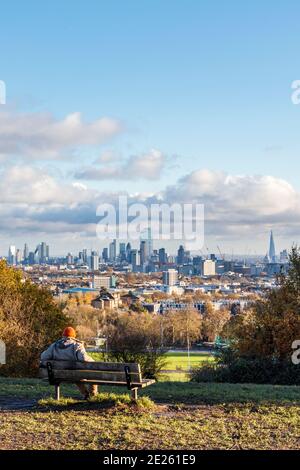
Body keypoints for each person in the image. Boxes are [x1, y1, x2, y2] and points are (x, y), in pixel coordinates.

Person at [41, 326, 98, 399]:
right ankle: (93, 395)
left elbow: (43, 357)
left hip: (58, 375)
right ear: (73, 336)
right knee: (92, 375)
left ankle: (86, 394)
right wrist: (94, 362)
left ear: (63, 335)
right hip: (74, 374)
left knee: (78, 377)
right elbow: (84, 359)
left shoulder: (54, 345)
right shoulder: (76, 345)